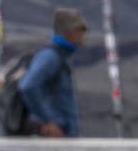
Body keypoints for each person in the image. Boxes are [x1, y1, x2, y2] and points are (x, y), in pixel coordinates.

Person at [19, 8, 87, 137]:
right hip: (56, 135)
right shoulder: (51, 56)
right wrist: (48, 120)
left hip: (62, 133)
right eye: (82, 29)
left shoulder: (60, 56)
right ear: (72, 32)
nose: (84, 34)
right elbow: (28, 85)